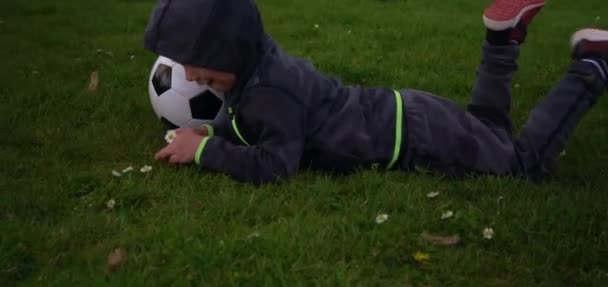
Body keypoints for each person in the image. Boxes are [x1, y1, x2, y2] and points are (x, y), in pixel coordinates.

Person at [145, 0, 607, 184]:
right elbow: (251, 122)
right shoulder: (259, 68)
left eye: (197, 64)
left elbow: (275, 164)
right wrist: (213, 129)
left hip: (418, 138)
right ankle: (501, 39)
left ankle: (591, 63)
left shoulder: (272, 92)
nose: (188, 73)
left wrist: (206, 153)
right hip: (412, 115)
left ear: (227, 50)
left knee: (521, 165)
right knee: (488, 130)